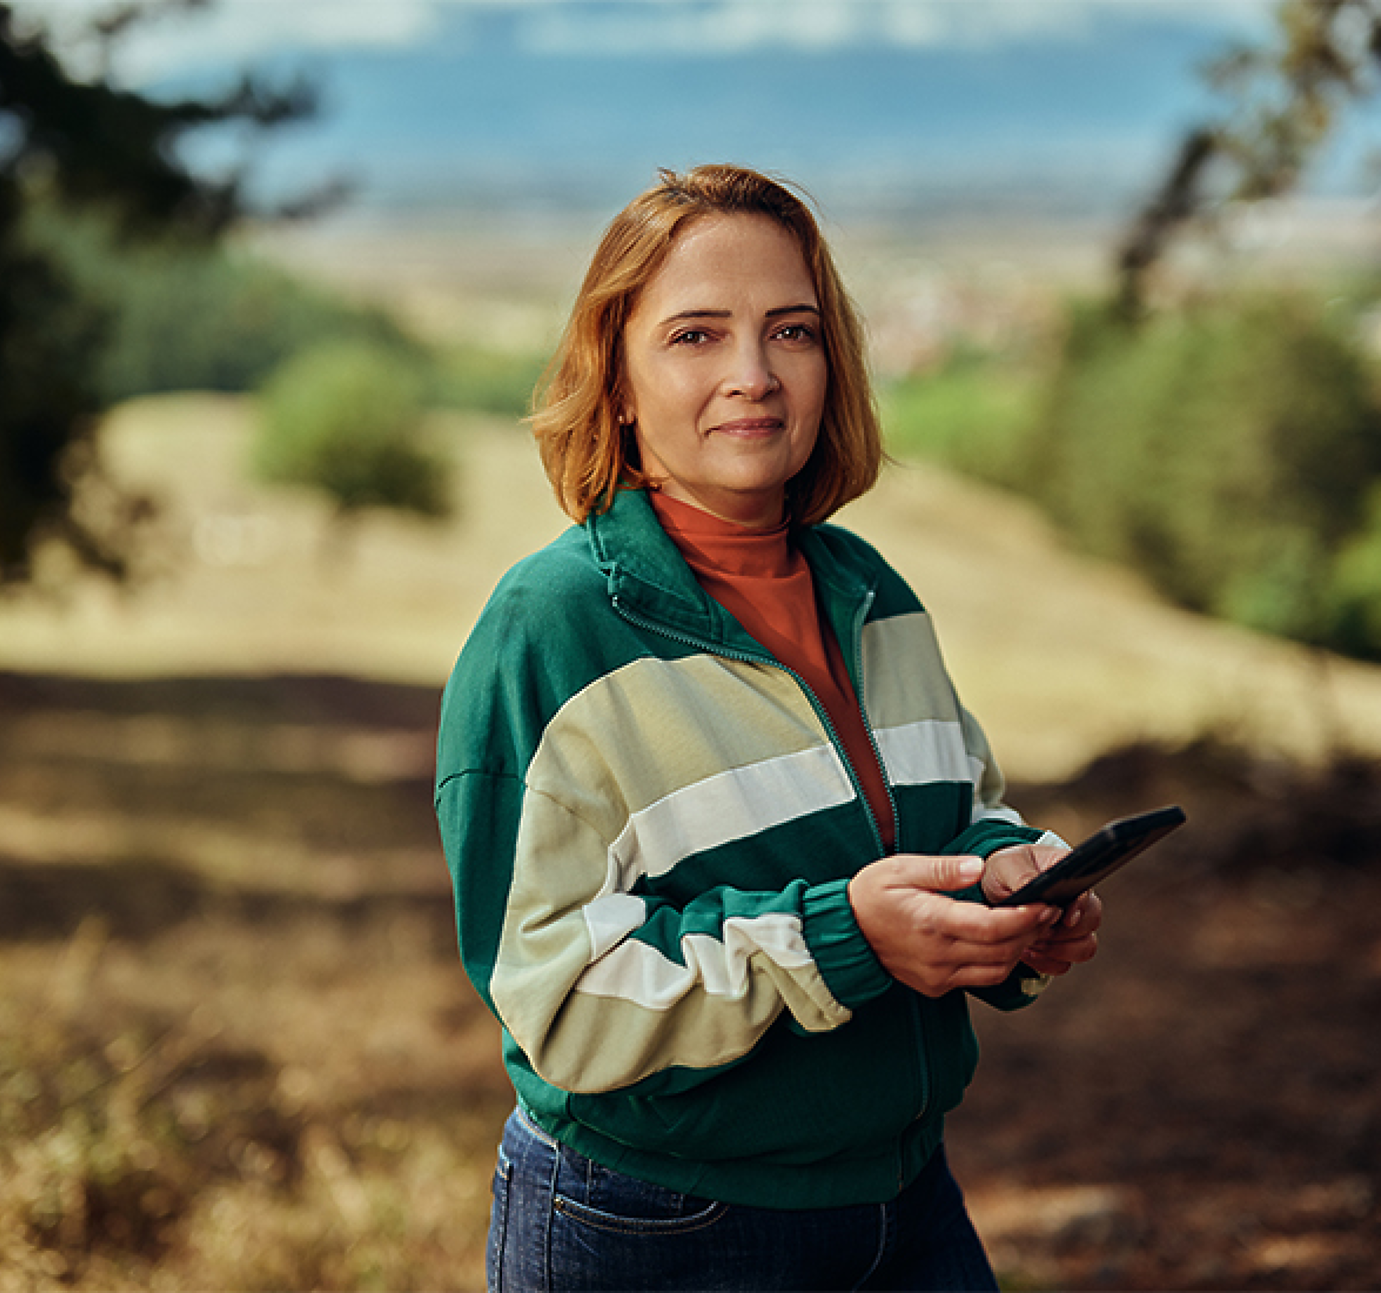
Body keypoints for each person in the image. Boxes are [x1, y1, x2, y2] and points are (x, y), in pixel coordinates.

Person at [434, 164, 1104, 1293]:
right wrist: (842, 938)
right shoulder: (548, 631)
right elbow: (551, 996)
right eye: (696, 335)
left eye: (788, 330)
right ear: (617, 382)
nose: (751, 375)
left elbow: (961, 807)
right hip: (658, 1225)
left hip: (904, 1200)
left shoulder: (871, 592)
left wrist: (1009, 889)